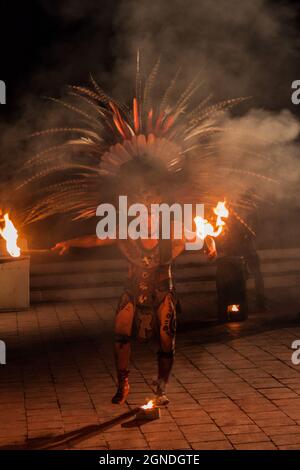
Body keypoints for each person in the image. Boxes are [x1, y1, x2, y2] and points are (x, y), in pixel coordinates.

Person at [53, 209, 217, 406]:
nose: (148, 220)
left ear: (158, 216)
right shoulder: (127, 234)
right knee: (120, 336)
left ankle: (161, 387)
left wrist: (211, 245)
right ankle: (123, 384)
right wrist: (68, 242)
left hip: (162, 292)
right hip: (131, 290)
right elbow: (96, 239)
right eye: (143, 216)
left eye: (152, 216)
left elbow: (203, 235)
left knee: (166, 340)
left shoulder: (174, 232)